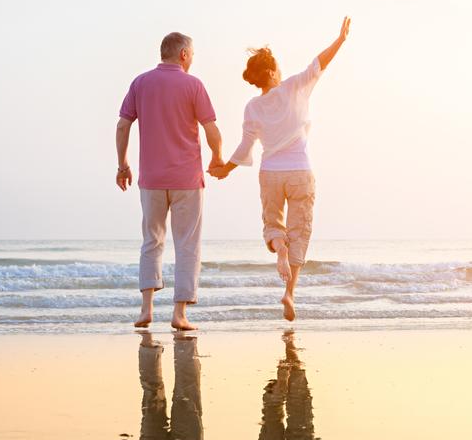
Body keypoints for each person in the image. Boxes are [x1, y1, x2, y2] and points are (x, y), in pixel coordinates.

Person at [209, 17, 351, 321]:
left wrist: (226, 169)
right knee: (300, 231)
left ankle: (279, 250)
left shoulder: (252, 107)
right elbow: (319, 62)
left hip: (271, 173)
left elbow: (245, 147)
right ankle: (289, 293)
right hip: (300, 170)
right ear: (272, 72)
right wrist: (340, 39)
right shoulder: (294, 87)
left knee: (273, 224)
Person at [116, 32, 224, 331]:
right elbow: (210, 127)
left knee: (152, 241)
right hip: (187, 179)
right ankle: (179, 314)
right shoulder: (193, 84)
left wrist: (123, 164)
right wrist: (217, 157)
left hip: (151, 179)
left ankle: (146, 309)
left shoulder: (140, 83)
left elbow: (123, 124)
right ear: (184, 55)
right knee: (187, 243)